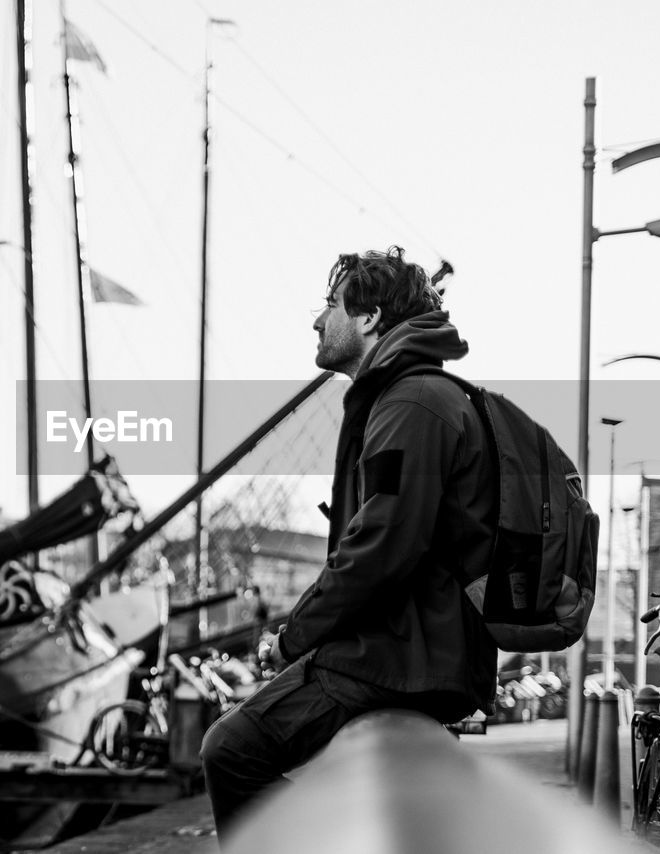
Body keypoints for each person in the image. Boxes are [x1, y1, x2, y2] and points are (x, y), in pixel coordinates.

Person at [200, 246, 499, 842]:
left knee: (230, 750)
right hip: (409, 648)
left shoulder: (410, 404)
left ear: (368, 319)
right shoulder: (413, 398)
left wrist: (292, 637)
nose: (317, 321)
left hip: (397, 656)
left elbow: (383, 543)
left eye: (330, 306)